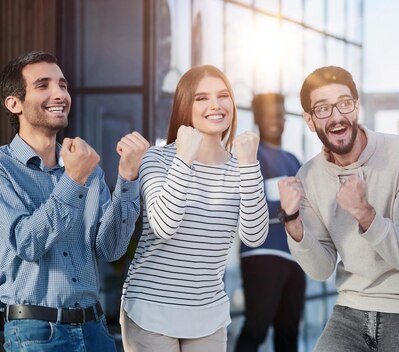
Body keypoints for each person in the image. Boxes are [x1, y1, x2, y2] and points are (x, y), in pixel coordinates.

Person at [278, 66, 399, 351]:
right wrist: (293, 222)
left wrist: (365, 214)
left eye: (344, 104)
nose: (336, 117)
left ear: (356, 106)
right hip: (351, 308)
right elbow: (321, 270)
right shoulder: (308, 176)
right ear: (309, 121)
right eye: (322, 109)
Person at [0, 51, 149, 351]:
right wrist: (72, 181)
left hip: (95, 330)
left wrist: (128, 178)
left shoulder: (87, 169)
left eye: (63, 85)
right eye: (43, 85)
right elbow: (27, 242)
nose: (59, 94)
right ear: (14, 103)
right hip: (36, 334)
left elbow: (110, 248)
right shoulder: (4, 169)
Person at [120, 65, 269, 352]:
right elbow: (164, 226)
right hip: (151, 310)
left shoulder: (242, 167)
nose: (215, 105)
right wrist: (184, 157)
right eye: (202, 98)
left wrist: (250, 165)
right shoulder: (156, 159)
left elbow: (254, 236)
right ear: (185, 107)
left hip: (208, 316)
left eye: (223, 95)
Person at [235, 93, 306, 352]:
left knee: (289, 334)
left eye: (279, 114)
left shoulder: (293, 159)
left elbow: (303, 207)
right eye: (268, 115)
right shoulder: (251, 158)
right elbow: (252, 207)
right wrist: (288, 208)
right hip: (262, 254)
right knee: (256, 327)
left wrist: (287, 208)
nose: (275, 120)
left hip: (295, 257)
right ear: (257, 119)